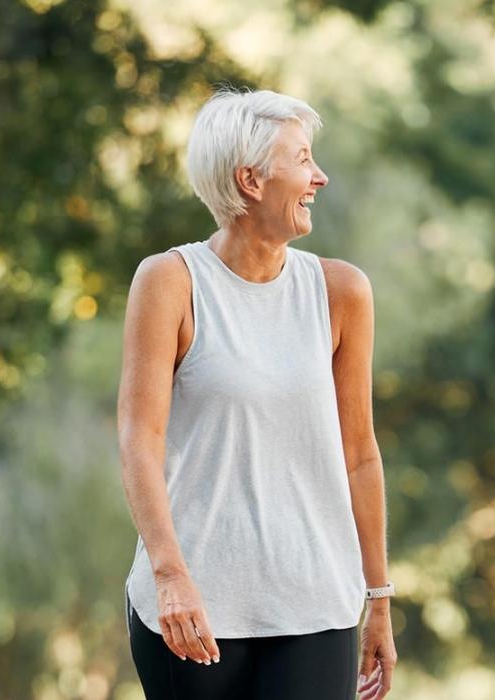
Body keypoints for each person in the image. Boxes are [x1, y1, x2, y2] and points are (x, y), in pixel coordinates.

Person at [117, 88, 396, 699]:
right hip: (192, 611)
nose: (319, 176)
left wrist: (378, 598)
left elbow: (360, 455)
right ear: (249, 180)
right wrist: (170, 576)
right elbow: (141, 439)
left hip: (315, 607)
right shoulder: (171, 282)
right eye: (302, 160)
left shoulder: (341, 292)